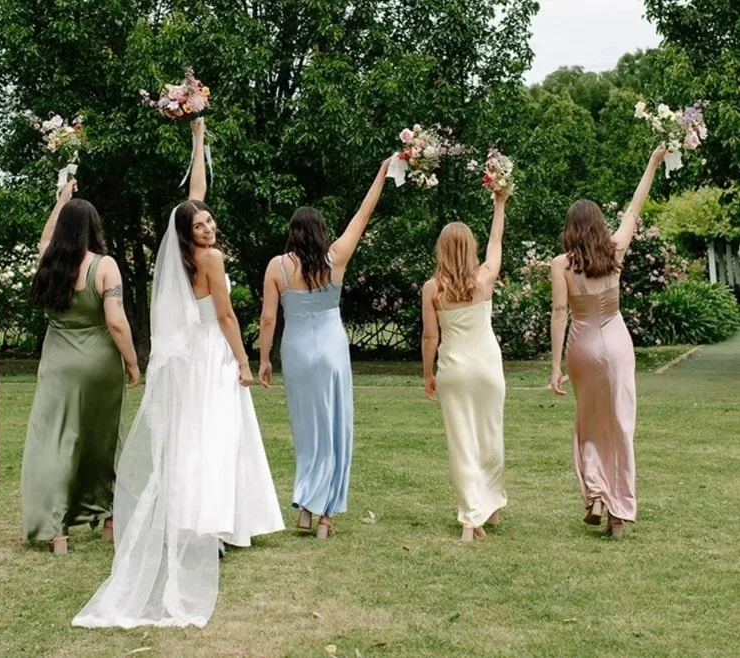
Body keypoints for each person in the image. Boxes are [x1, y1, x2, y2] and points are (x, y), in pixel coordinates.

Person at [72, 118, 283, 629]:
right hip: (212, 353)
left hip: (192, 355)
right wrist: (243, 360)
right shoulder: (209, 260)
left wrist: (197, 139)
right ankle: (207, 527)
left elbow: (194, 197)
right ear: (189, 236)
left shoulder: (184, 256)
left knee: (195, 437)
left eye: (209, 221)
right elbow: (228, 316)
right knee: (213, 437)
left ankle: (202, 523)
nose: (208, 226)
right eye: (200, 226)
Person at [258, 158, 391, 540]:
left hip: (297, 351)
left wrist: (265, 358)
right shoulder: (336, 258)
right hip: (332, 348)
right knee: (335, 427)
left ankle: (305, 507)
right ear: (319, 232)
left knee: (306, 428)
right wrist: (379, 175)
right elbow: (363, 216)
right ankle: (326, 516)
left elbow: (268, 320)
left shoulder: (277, 267)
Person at [549, 146, 666, 539]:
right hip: (616, 343)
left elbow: (559, 314)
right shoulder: (615, 247)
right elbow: (634, 209)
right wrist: (651, 162)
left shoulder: (560, 264)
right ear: (599, 225)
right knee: (620, 424)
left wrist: (555, 369)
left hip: (582, 345)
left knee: (589, 424)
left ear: (570, 228)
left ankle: (597, 493)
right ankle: (619, 515)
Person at [20, 182, 140, 555]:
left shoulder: (48, 261)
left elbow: (45, 236)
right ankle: (110, 519)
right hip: (99, 362)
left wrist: (61, 199)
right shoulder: (104, 266)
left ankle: (56, 531)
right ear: (94, 228)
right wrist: (132, 363)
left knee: (56, 442)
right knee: (104, 441)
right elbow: (116, 321)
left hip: (58, 362)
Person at [421, 190, 511, 541]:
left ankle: (474, 515)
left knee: (461, 442)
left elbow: (431, 338)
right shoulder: (485, 278)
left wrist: (428, 373)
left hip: (455, 372)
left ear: (441, 250)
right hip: (487, 369)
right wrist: (499, 205)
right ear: (470, 249)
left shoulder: (432, 288)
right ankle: (488, 507)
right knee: (489, 438)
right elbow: (497, 242)